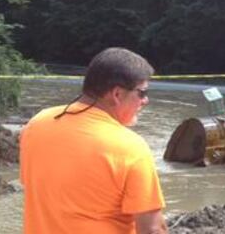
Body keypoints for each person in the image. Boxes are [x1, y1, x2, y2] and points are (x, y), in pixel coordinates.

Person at [20, 48, 167, 234]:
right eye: (142, 92)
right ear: (117, 94)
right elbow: (151, 229)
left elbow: (38, 190)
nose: (145, 100)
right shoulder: (130, 148)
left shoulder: (36, 125)